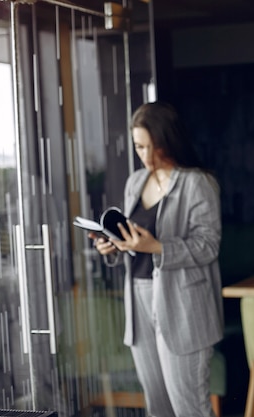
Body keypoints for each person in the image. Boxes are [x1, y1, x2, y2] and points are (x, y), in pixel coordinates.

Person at [90, 101, 224, 417]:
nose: (146, 156)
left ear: (169, 141)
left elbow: (208, 246)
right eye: (139, 147)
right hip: (139, 300)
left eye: (153, 147)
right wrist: (115, 245)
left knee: (189, 408)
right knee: (158, 408)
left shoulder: (197, 183)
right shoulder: (136, 182)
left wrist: (159, 247)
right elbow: (135, 241)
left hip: (182, 305)